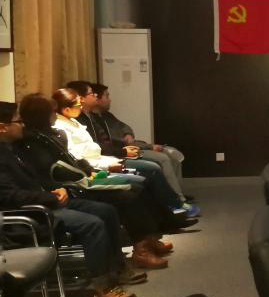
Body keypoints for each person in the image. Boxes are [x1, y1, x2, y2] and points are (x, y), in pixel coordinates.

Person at [0, 102, 138, 297]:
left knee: (106, 211)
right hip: (30, 213)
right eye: (18, 121)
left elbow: (37, 178)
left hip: (46, 200)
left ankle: (116, 269)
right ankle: (103, 287)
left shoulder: (15, 147)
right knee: (92, 225)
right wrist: (51, 197)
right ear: (3, 127)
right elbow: (10, 197)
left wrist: (56, 189)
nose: (22, 124)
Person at [16, 94, 172, 269]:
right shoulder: (32, 142)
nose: (55, 115)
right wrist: (89, 171)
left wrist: (89, 170)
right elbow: (56, 170)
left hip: (80, 177)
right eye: (52, 112)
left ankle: (148, 240)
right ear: (43, 115)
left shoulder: (49, 134)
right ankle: (141, 250)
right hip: (70, 187)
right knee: (127, 196)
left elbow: (71, 160)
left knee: (138, 187)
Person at [53, 88, 194, 218]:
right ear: (66, 109)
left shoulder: (82, 119)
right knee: (151, 169)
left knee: (154, 165)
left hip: (108, 157)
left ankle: (173, 207)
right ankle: (172, 209)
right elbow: (80, 157)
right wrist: (116, 158)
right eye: (78, 103)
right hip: (99, 165)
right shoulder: (63, 128)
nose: (81, 105)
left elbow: (113, 135)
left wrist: (125, 143)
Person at [89, 82, 190, 204]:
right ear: (98, 99)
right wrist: (149, 146)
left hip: (132, 147)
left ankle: (177, 193)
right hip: (123, 152)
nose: (110, 99)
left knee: (174, 154)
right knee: (163, 158)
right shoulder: (94, 121)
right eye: (107, 96)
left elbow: (124, 126)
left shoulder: (106, 116)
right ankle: (177, 199)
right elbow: (120, 144)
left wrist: (128, 133)